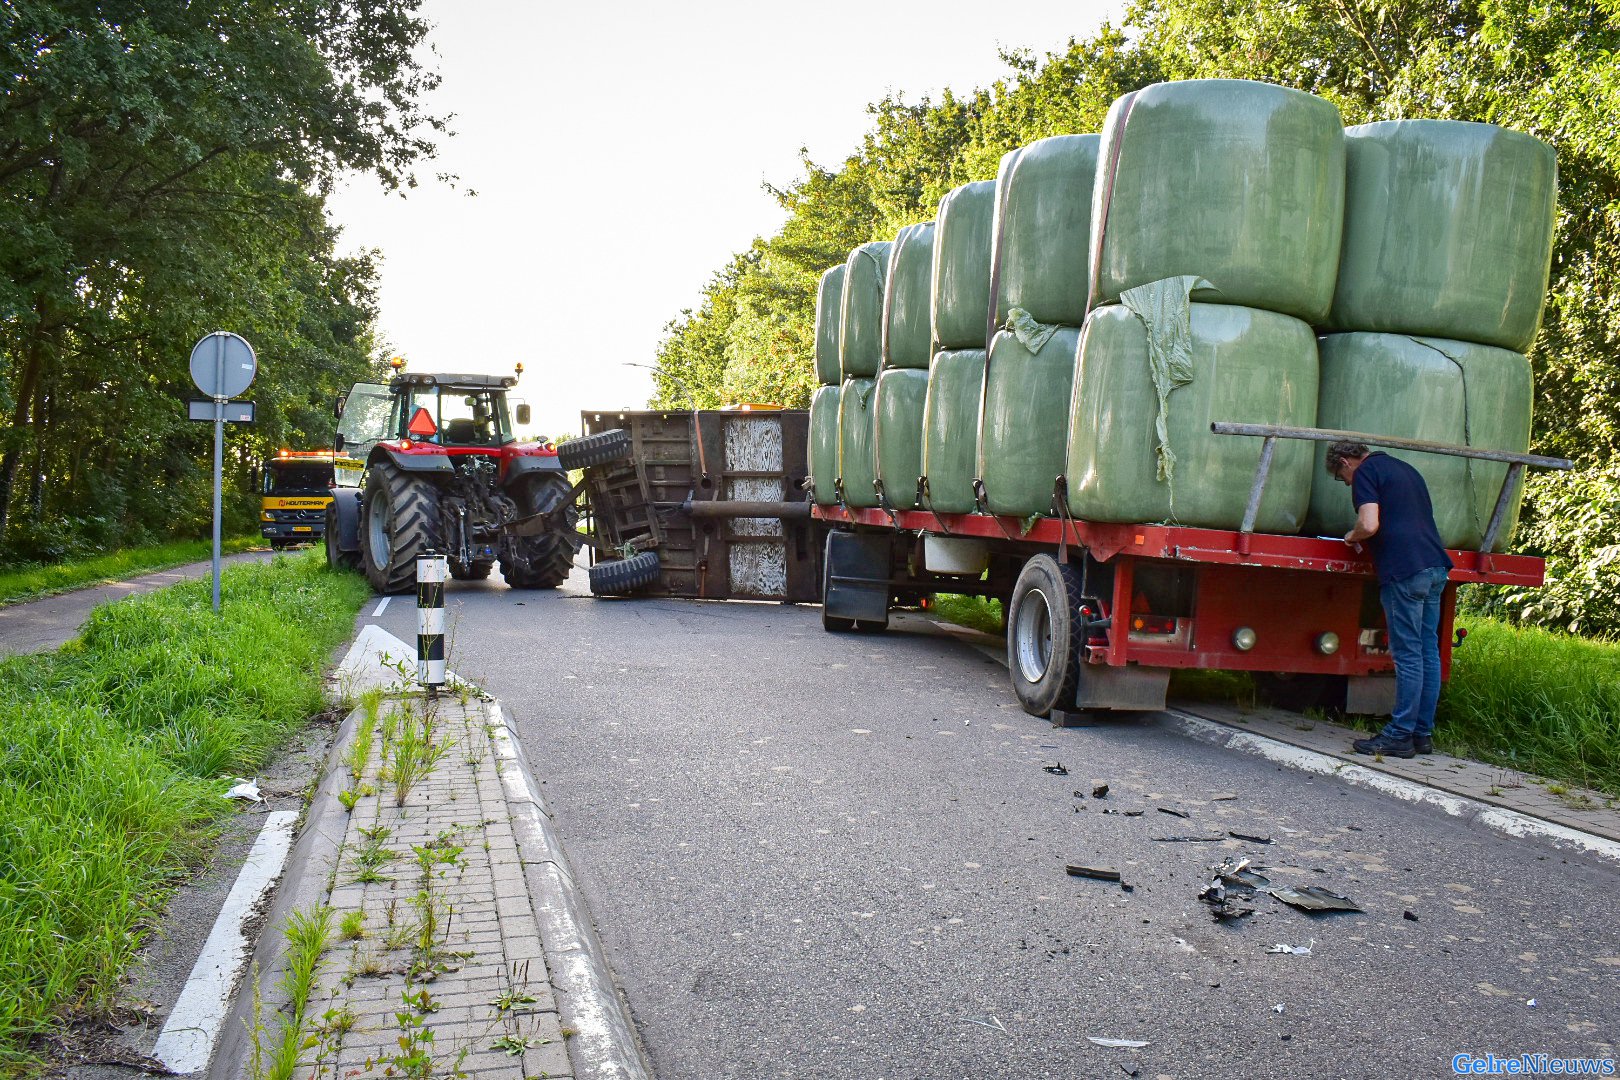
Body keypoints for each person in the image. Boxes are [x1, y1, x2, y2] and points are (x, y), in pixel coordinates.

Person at [1325, 441, 1454, 759]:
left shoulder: (1367, 472)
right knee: (1427, 653)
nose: (1348, 484)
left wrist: (1351, 536)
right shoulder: (1405, 468)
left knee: (1409, 656)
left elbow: (1369, 523)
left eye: (1343, 478)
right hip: (1435, 567)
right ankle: (1421, 735)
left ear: (1346, 461)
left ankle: (1398, 736)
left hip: (1405, 571)